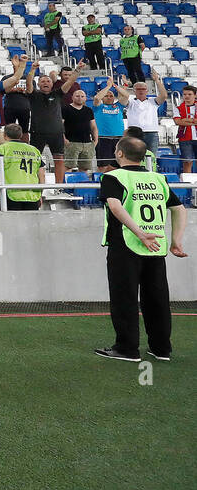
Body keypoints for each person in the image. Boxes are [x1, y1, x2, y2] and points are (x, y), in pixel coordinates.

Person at [94, 136, 187, 363]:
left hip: (126, 245)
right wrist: (176, 240)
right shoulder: (158, 178)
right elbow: (179, 208)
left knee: (124, 297)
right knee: (157, 298)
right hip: (156, 247)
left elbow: (114, 205)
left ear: (119, 154)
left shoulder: (113, 176)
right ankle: (161, 348)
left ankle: (126, 348)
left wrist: (138, 233)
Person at [0, 123, 45, 211]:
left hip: (10, 194)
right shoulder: (34, 150)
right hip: (32, 195)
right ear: (21, 135)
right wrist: (40, 194)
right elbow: (42, 175)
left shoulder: (2, 149)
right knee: (31, 224)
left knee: (11, 223)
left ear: (4, 135)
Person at [122, 77, 166, 155]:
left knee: (151, 158)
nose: (141, 91)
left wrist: (157, 80)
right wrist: (125, 86)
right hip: (133, 133)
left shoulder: (153, 101)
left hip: (151, 133)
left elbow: (164, 95)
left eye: (143, 89)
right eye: (138, 89)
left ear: (147, 91)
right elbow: (122, 98)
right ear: (134, 91)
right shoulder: (131, 101)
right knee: (134, 157)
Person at [92, 80, 126, 171]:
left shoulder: (118, 106)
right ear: (103, 97)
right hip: (103, 138)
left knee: (120, 165)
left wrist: (115, 86)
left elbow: (126, 96)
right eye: (106, 96)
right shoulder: (99, 107)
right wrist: (108, 87)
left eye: (111, 96)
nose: (109, 97)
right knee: (103, 165)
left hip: (119, 139)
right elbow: (96, 98)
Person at [176, 85, 197, 174]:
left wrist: (186, 120)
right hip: (184, 138)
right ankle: (187, 183)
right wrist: (193, 121)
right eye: (184, 94)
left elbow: (182, 121)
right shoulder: (178, 108)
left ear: (195, 95)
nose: (187, 96)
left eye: (189, 94)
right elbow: (178, 122)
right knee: (187, 162)